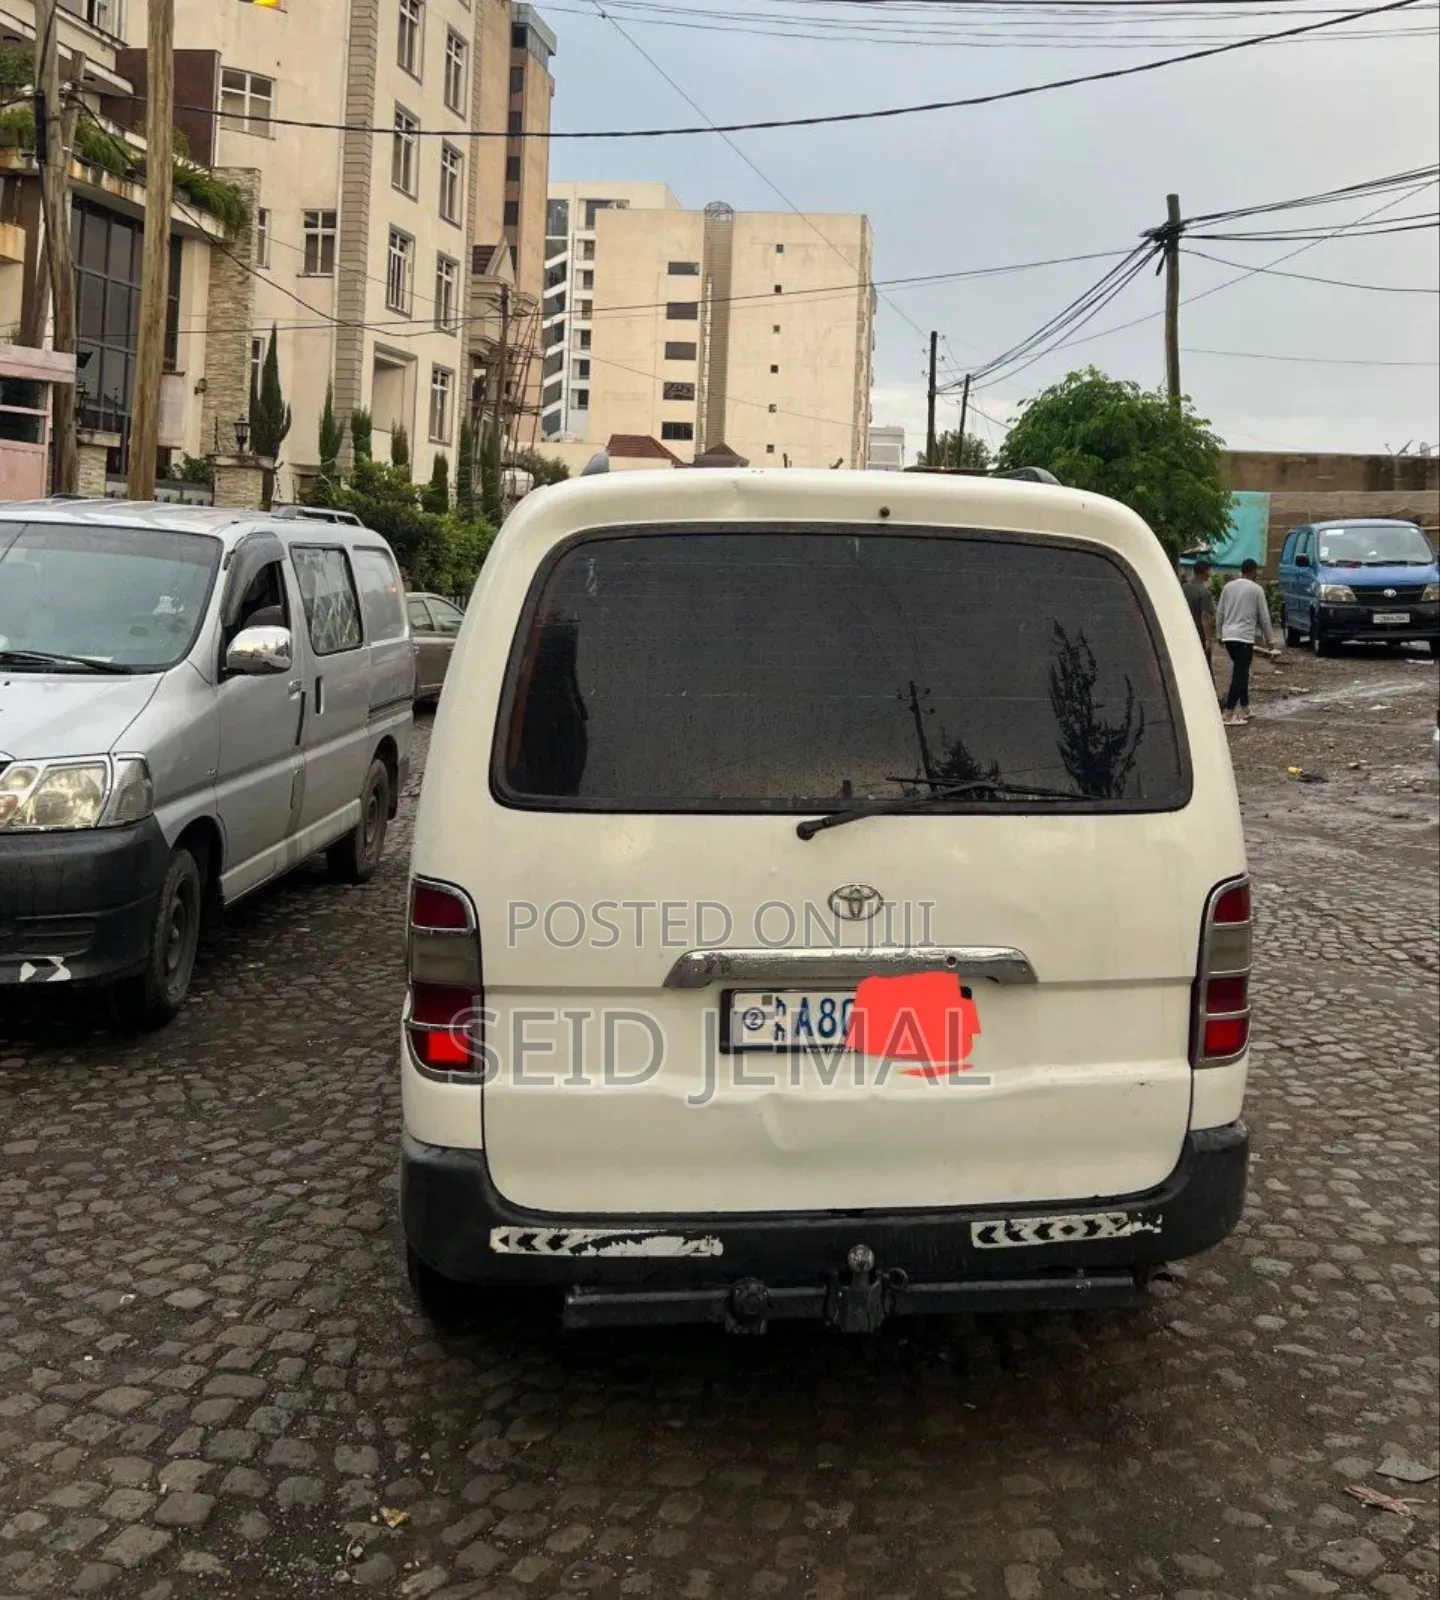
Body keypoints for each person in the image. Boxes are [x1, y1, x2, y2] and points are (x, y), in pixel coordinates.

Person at [1215, 558, 1277, 726]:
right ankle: (1228, 712)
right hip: (1244, 637)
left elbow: (1220, 612)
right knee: (1240, 675)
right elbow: (1264, 617)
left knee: (1241, 671)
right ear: (1254, 571)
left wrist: (1219, 633)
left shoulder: (1228, 587)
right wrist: (1270, 639)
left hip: (1229, 636)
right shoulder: (1256, 589)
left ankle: (1245, 707)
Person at [1181, 558, 1216, 661]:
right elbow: (1205, 617)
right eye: (1209, 571)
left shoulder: (1183, 588)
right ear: (1205, 572)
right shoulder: (1204, 592)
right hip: (1199, 633)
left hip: (1184, 631)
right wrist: (1208, 639)